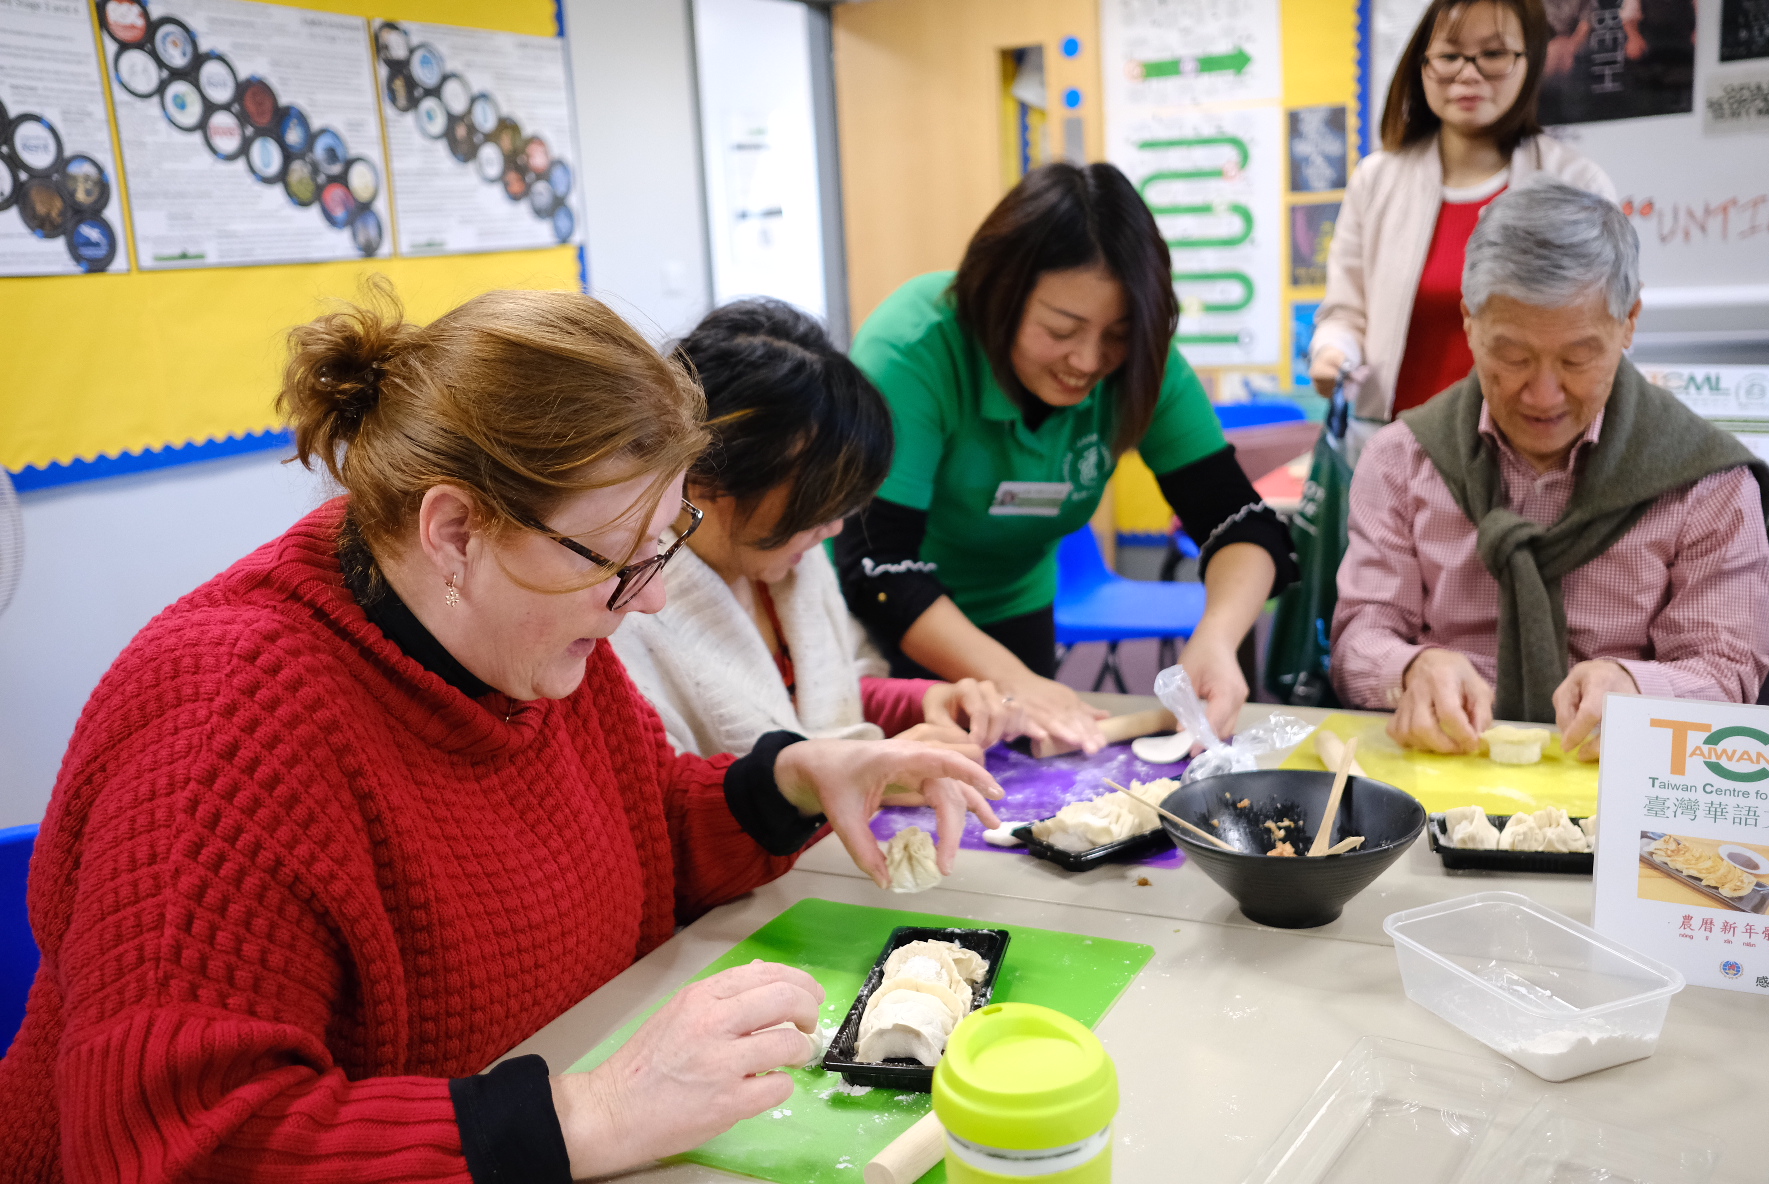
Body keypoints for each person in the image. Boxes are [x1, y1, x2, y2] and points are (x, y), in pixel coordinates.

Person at [0, 286, 1005, 1183]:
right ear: (454, 530)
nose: (648, 603)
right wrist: (593, 1109)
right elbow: (178, 1144)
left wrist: (790, 778)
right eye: (620, 561)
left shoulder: (532, 636)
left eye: (665, 548)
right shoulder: (223, 723)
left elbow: (636, 831)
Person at [836, 162, 1297, 747]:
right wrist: (1011, 681)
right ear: (999, 295)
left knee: (1020, 801)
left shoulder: (1142, 367)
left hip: (1014, 605)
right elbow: (878, 565)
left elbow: (1243, 526)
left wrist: (1215, 639)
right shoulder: (914, 346)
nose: (1087, 360)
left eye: (1118, 333)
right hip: (881, 623)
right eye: (1061, 330)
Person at [1331, 182, 1769, 761]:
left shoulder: (1705, 482)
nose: (1543, 394)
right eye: (1511, 356)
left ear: (1629, 322)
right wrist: (1411, 668)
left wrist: (1638, 687)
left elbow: (1727, 669)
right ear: (1469, 322)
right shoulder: (1401, 461)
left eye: (1577, 359)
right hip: (1442, 769)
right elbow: (1359, 637)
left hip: (1621, 779)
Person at [609, 298, 1019, 759]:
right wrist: (861, 774)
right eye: (814, 501)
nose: (832, 526)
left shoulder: (784, 565)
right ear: (706, 476)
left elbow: (829, 699)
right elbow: (670, 800)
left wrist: (927, 701)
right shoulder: (629, 615)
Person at [1309, 0, 1614, 433]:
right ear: (1422, 63)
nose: (1468, 73)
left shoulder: (1577, 183)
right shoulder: (1376, 180)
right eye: (1450, 56)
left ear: (1530, 61)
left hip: (1528, 448)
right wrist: (1332, 354)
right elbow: (1345, 313)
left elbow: (1599, 328)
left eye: (1493, 55)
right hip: (1398, 447)